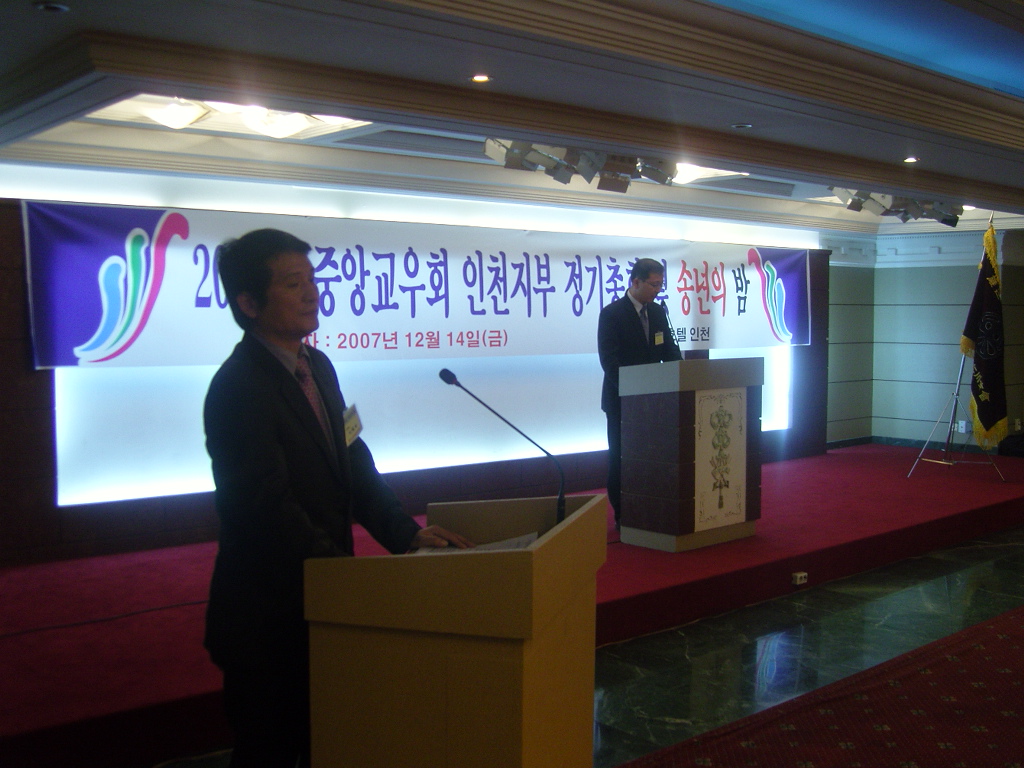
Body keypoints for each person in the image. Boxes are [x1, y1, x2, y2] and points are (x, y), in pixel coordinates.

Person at [203, 228, 471, 768]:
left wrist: (406, 533)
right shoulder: (237, 388)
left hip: (324, 599)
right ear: (249, 303)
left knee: (327, 739)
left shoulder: (319, 366)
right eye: (292, 283)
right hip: (268, 617)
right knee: (269, 750)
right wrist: (346, 580)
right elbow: (266, 510)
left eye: (312, 279)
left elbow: (354, 459)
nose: (312, 292)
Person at [597, 258, 682, 525]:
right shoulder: (612, 314)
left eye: (660, 285)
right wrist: (634, 393)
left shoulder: (657, 312)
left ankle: (650, 508)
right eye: (654, 285)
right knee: (621, 459)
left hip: (655, 403)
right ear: (636, 282)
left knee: (652, 458)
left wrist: (682, 375)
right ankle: (623, 514)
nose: (658, 290)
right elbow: (609, 362)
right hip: (622, 402)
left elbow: (669, 350)